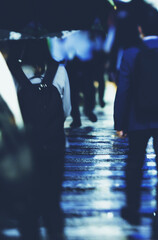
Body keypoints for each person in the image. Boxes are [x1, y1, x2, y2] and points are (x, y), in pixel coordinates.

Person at [113, 6, 158, 240]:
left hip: (138, 119)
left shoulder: (131, 53)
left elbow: (123, 89)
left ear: (139, 29)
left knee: (134, 164)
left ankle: (133, 211)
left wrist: (120, 122)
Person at [7, 39, 71, 240]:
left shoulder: (14, 73)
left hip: (27, 146)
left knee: (29, 199)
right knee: (53, 198)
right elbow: (66, 109)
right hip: (55, 144)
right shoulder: (59, 71)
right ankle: (56, 232)